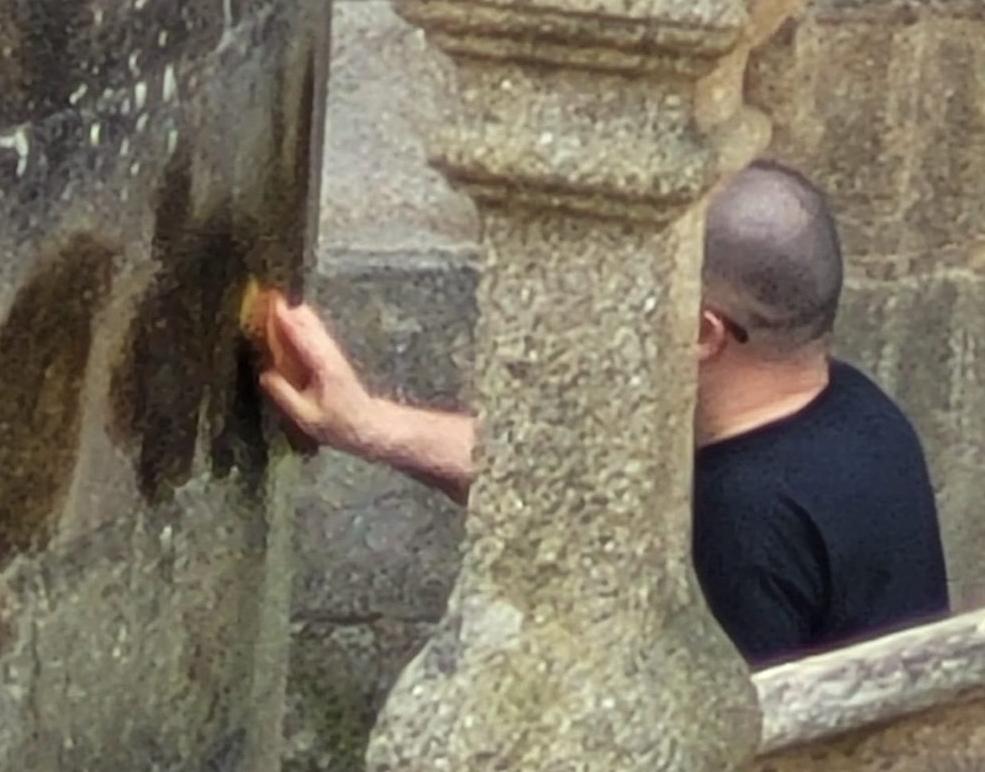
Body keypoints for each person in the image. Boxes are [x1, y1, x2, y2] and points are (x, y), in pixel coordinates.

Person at [258, 160, 950, 667]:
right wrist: (369, 425)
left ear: (702, 333)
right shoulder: (859, 412)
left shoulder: (737, 519)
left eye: (645, 282)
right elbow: (569, 488)